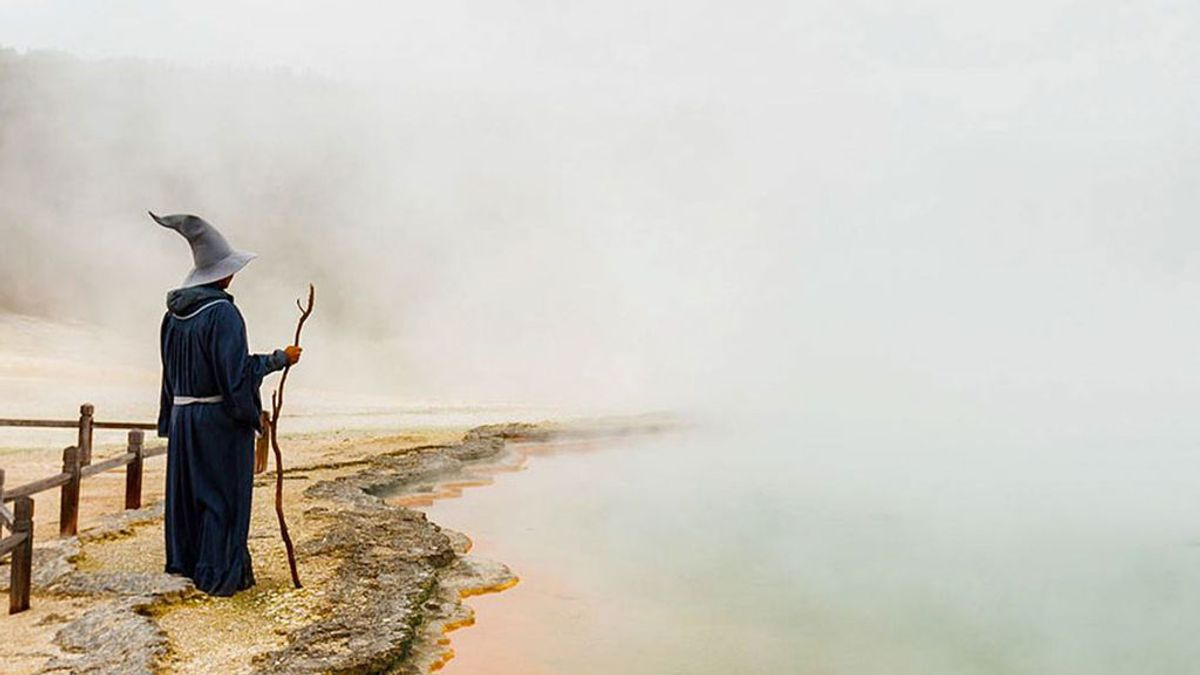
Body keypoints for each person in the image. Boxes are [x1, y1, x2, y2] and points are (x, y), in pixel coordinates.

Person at [152, 211, 301, 596]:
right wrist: (278, 360)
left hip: (185, 419)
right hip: (217, 422)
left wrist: (170, 420)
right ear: (223, 274)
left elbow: (169, 376)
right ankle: (219, 578)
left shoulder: (173, 317)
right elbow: (234, 377)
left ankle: (185, 567)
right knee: (221, 499)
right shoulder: (224, 314)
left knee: (187, 499)